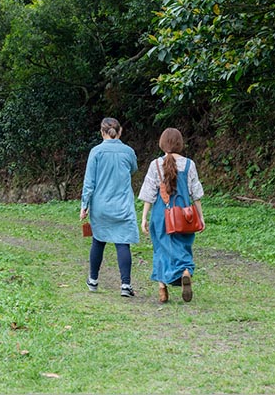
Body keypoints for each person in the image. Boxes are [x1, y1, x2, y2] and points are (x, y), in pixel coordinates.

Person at [138, 128, 205, 303]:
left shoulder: (155, 165)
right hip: (184, 215)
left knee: (160, 249)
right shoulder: (189, 164)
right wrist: (201, 216)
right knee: (183, 247)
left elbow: (149, 194)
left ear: (162, 143)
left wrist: (144, 217)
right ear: (180, 144)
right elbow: (196, 193)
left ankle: (162, 289)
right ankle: (185, 272)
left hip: (161, 215)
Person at [80, 117, 140, 297]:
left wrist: (84, 205)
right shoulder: (128, 151)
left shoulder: (96, 152)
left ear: (102, 132)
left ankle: (93, 280)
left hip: (100, 205)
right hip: (122, 205)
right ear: (119, 132)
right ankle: (126, 285)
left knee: (98, 240)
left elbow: (89, 182)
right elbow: (134, 169)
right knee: (123, 243)